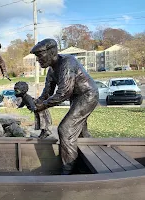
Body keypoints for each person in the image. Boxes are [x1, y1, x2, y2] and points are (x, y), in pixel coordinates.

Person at [30, 38, 99, 175]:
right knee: (79, 131)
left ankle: (68, 171)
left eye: (40, 55)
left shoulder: (67, 62)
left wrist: (43, 105)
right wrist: (36, 102)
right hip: (77, 97)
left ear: (52, 52)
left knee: (65, 129)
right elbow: (47, 93)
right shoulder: (51, 71)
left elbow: (64, 92)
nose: (38, 60)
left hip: (88, 95)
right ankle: (84, 162)